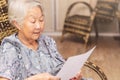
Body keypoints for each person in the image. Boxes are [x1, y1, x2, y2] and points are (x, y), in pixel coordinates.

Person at [0, 0, 82, 80]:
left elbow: (61, 66)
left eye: (41, 20)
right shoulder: (10, 48)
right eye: (33, 21)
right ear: (17, 24)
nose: (39, 26)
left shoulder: (47, 41)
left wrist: (72, 74)